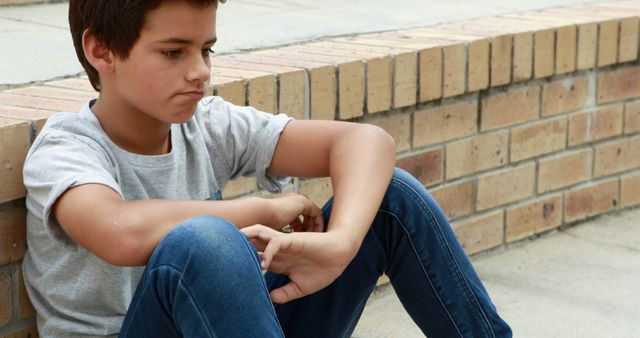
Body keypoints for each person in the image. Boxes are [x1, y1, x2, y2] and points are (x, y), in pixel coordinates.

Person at [21, 0, 512, 337]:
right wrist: (264, 209)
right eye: (174, 52)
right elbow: (119, 232)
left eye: (205, 49)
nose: (200, 71)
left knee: (392, 196)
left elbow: (366, 141)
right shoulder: (66, 148)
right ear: (100, 50)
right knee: (206, 241)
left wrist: (337, 244)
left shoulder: (206, 122)